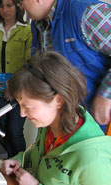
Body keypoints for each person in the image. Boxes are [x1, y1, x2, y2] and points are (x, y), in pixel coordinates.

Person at [1, 51, 111, 185]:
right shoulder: (50, 124)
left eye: (27, 107)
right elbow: (40, 157)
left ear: (58, 100)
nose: (22, 114)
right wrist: (18, 160)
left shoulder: (93, 160)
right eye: (20, 106)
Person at [20, 0, 111, 129]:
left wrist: (106, 96)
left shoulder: (89, 13)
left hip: (100, 117)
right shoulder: (38, 24)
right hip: (70, 116)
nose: (22, 7)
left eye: (21, 1)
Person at [0, 0, 32, 157]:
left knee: (15, 132)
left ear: (18, 6)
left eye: (9, 5)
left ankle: (22, 165)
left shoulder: (27, 30)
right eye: (1, 6)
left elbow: (29, 63)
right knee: (0, 130)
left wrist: (13, 86)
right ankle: (5, 165)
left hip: (19, 89)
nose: (5, 10)